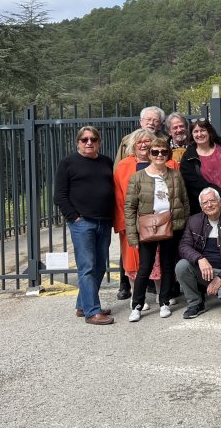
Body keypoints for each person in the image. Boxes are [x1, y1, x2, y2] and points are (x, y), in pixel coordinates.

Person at [123, 135, 189, 322]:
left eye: (163, 152)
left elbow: (183, 201)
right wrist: (132, 236)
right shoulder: (138, 177)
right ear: (150, 154)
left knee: (168, 266)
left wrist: (183, 225)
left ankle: (164, 302)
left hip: (171, 225)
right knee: (145, 266)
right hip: (147, 227)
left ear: (168, 154)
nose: (159, 155)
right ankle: (137, 304)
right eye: (155, 152)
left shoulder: (175, 174)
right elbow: (130, 207)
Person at [54, 125, 115, 325]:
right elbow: (60, 195)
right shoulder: (68, 163)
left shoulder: (106, 161)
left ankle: (83, 305)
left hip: (104, 222)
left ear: (99, 142)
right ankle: (92, 312)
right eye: (85, 139)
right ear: (78, 142)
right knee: (87, 267)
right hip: (83, 223)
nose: (89, 142)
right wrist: (74, 217)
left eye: (93, 139)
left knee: (99, 267)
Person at [113, 105, 165, 300]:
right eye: (148, 119)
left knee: (157, 258)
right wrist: (121, 223)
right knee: (132, 257)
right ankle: (132, 293)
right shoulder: (124, 162)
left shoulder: (161, 158)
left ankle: (161, 294)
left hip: (155, 218)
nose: (143, 144)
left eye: (155, 120)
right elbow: (118, 191)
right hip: (132, 219)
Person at [176, 188, 221, 317]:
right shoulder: (193, 221)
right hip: (205, 271)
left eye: (212, 201)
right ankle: (195, 303)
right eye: (205, 203)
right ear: (201, 206)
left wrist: (220, 278)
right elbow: (183, 246)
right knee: (181, 266)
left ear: (220, 201)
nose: (209, 205)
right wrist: (200, 259)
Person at [179, 119, 221, 223]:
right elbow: (193, 183)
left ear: (209, 131)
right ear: (191, 134)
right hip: (207, 209)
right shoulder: (188, 157)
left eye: (202, 130)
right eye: (195, 131)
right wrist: (219, 193)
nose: (199, 134)